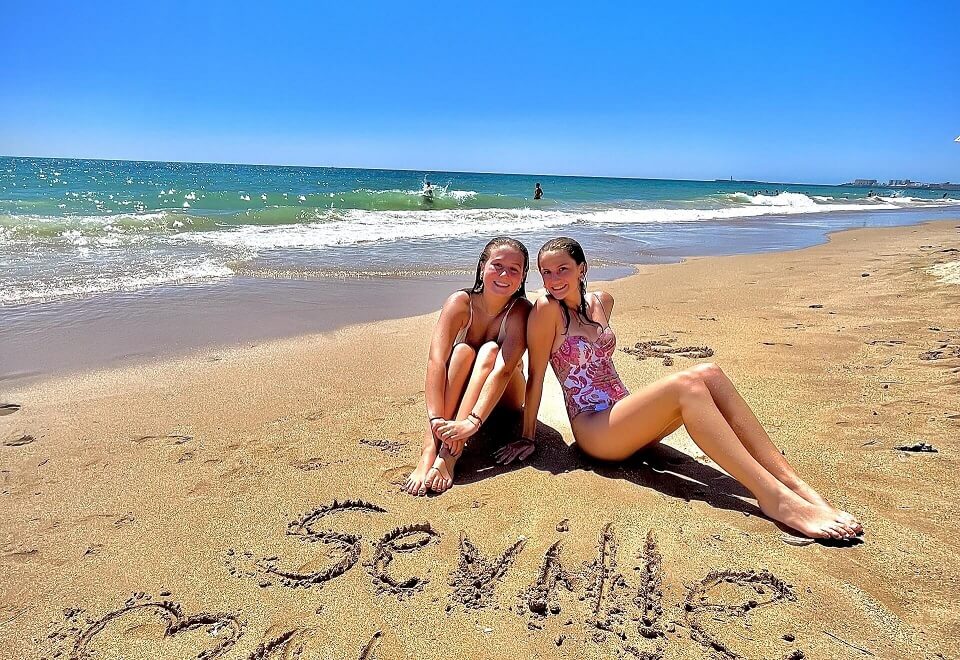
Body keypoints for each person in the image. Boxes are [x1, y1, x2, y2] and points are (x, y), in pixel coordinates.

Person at [496, 237, 864, 540]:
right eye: (546, 272)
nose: (554, 278)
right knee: (688, 384)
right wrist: (528, 436)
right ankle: (775, 499)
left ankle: (792, 483)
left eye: (563, 269)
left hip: (625, 417)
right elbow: (537, 373)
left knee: (710, 372)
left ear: (582, 269)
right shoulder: (545, 310)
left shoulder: (601, 302)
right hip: (596, 431)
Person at [403, 236, 532, 495]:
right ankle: (432, 449)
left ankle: (449, 454)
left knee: (490, 350)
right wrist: (435, 420)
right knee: (460, 352)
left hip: (504, 398)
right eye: (497, 265)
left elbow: (506, 369)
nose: (504, 274)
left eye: (514, 269)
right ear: (482, 266)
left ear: (523, 276)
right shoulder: (460, 303)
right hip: (463, 398)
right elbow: (436, 362)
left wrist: (471, 425)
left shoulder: (520, 311)